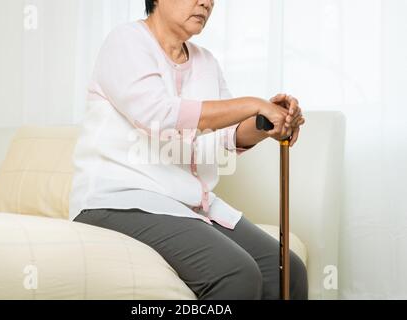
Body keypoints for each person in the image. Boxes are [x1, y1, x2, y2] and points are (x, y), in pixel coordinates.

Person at [69, 0, 307, 300]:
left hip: (187, 204)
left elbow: (224, 136)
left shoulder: (206, 62)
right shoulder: (126, 42)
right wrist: (253, 104)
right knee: (235, 272)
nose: (205, 2)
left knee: (288, 270)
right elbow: (159, 116)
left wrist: (267, 121)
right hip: (118, 199)